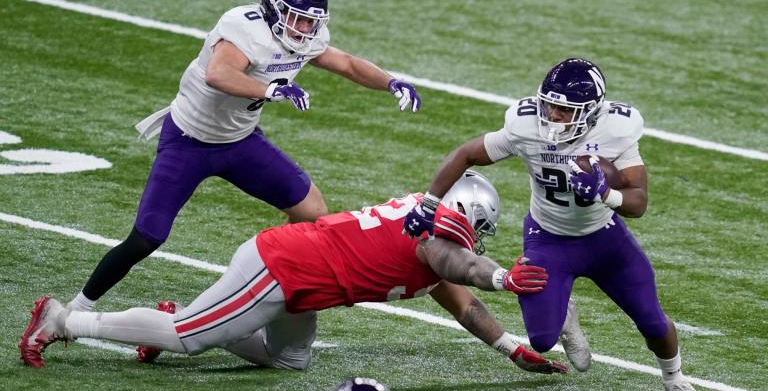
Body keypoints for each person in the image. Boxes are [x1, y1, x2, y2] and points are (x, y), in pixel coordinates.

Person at [67, 0, 422, 314]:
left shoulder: (306, 37)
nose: (304, 28)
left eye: (310, 21)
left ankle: (269, 279)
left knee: (312, 213)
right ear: (274, 8)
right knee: (146, 238)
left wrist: (391, 82)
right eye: (296, 17)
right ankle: (74, 310)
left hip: (239, 141)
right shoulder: (245, 28)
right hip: (189, 142)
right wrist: (270, 90)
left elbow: (344, 63)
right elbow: (218, 74)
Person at [20, 171, 567, 377]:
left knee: (290, 360)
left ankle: (184, 317)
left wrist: (511, 349)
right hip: (282, 269)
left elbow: (459, 300)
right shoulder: (436, 241)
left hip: (304, 287)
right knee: (188, 341)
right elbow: (461, 267)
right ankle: (64, 321)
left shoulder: (427, 232)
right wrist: (501, 277)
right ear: (467, 215)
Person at [402, 58, 695, 391]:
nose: (553, 115)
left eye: (565, 109)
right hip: (547, 238)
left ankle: (674, 378)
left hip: (604, 239)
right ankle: (566, 315)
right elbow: (466, 154)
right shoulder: (526, 127)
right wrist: (429, 204)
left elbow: (638, 200)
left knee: (653, 322)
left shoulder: (615, 131)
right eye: (550, 104)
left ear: (593, 112)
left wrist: (606, 192)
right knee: (542, 339)